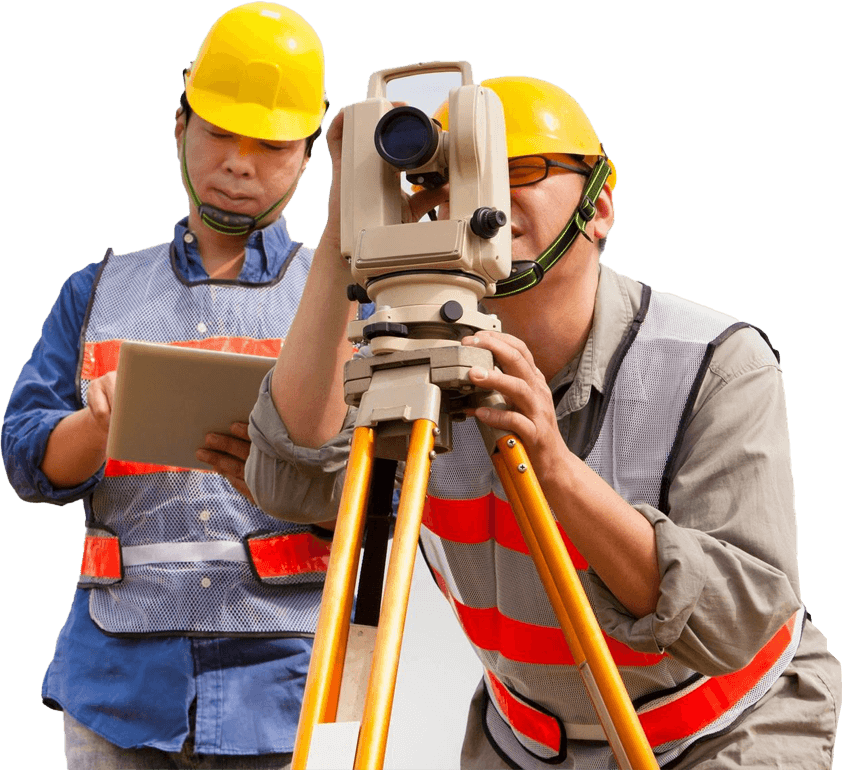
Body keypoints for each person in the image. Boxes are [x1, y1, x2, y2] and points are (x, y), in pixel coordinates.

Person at [244, 73, 842, 768]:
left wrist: (554, 467)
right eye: (440, 181)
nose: (476, 194)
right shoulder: (410, 364)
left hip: (722, 730)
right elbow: (290, 483)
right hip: (523, 741)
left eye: (518, 169)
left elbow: (740, 620)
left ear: (600, 208)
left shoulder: (714, 361)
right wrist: (345, 232)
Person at [2, 3, 335, 767]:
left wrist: (297, 465)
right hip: (118, 683)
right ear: (180, 126)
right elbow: (24, 458)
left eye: (270, 144)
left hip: (288, 683)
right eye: (220, 131)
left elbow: (396, 491)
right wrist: (94, 429)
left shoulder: (346, 299)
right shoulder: (96, 292)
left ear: (308, 155)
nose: (239, 163)